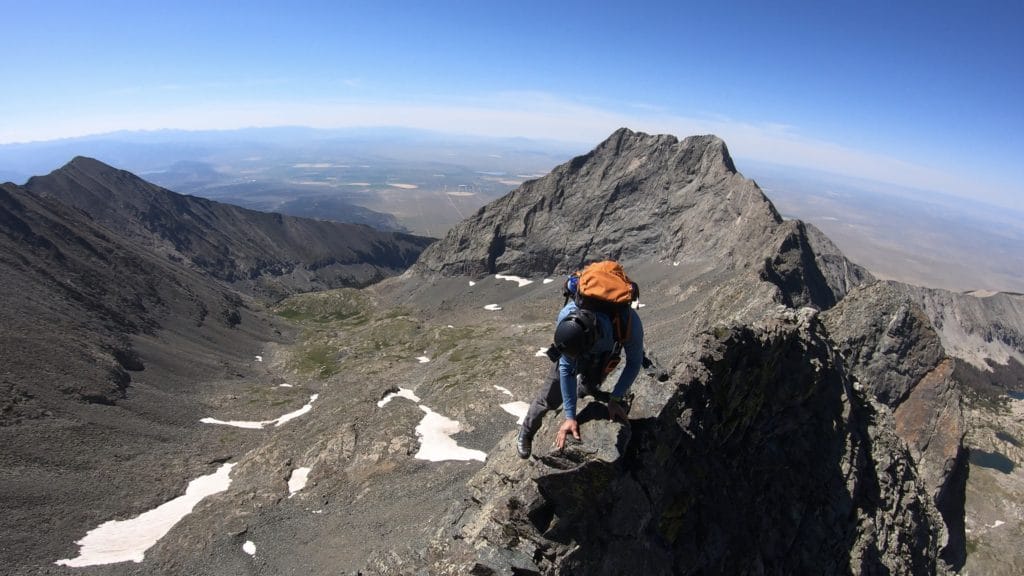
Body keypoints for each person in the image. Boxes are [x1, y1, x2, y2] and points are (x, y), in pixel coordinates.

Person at [517, 298, 645, 458]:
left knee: (591, 382)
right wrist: (570, 417)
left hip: (604, 353)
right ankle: (527, 431)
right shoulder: (567, 318)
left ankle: (587, 388)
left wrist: (615, 398)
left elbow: (634, 363)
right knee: (550, 396)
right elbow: (566, 369)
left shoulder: (627, 323)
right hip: (578, 346)